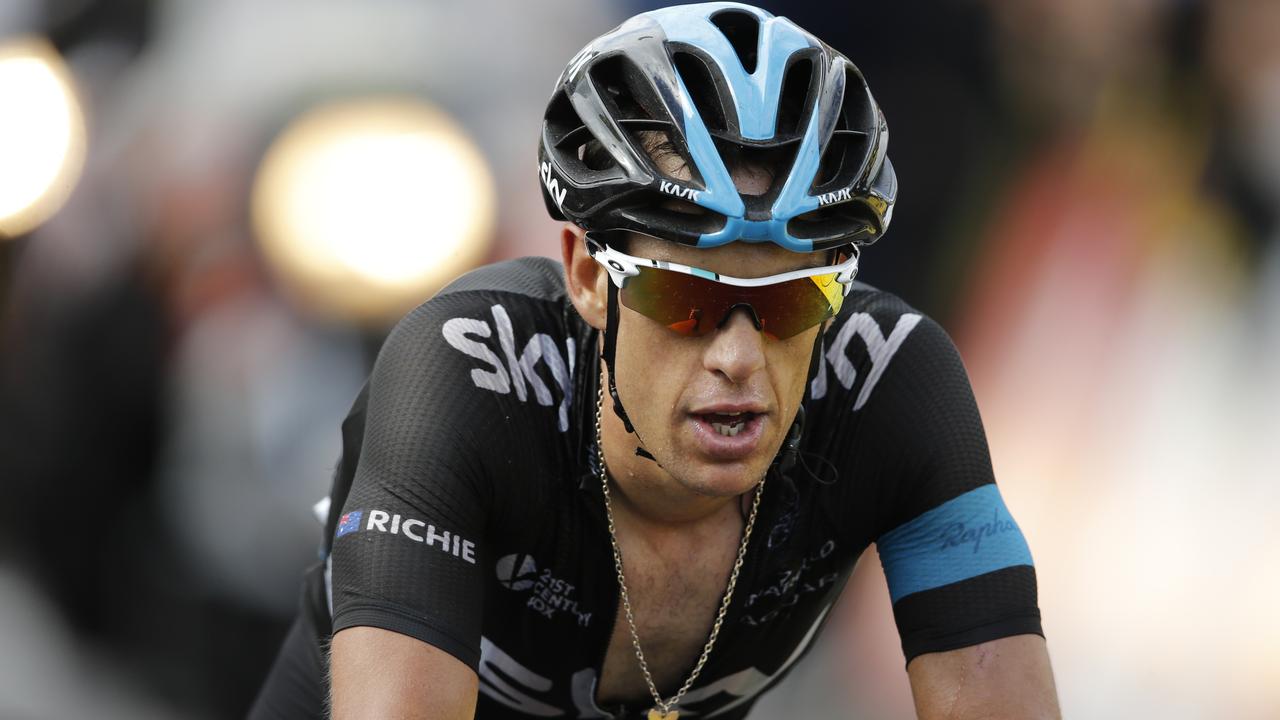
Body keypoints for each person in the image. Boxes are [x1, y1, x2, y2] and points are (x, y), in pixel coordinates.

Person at [250, 3, 1060, 718]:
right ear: (586, 277)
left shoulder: (893, 387)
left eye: (790, 302)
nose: (739, 358)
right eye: (686, 301)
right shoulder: (466, 375)